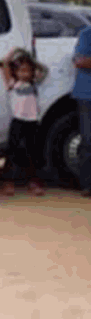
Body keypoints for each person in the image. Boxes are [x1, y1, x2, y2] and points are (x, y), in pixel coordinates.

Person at [0, 48, 47, 196]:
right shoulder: (12, 84)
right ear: (15, 72)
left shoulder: (34, 84)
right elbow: (5, 63)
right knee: (12, 152)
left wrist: (30, 59)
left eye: (28, 71)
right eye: (21, 71)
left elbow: (45, 70)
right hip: (18, 122)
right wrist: (15, 51)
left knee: (34, 152)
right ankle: (8, 182)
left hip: (33, 122)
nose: (24, 74)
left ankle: (34, 181)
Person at [75, 22, 91, 197]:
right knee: (88, 141)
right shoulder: (87, 34)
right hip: (87, 95)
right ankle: (87, 185)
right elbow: (80, 61)